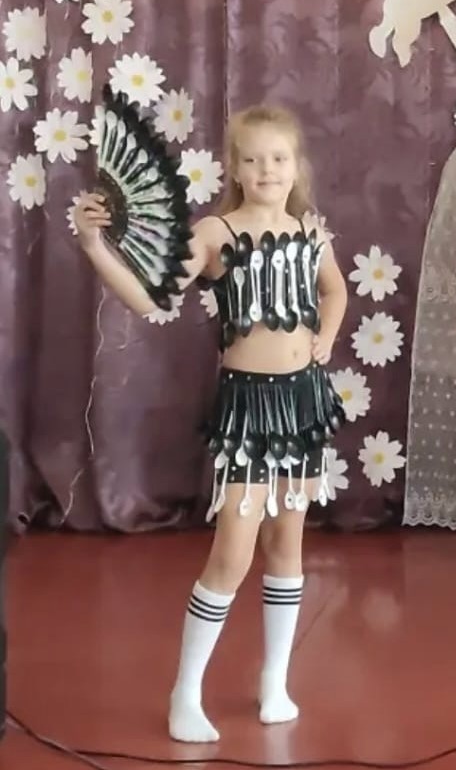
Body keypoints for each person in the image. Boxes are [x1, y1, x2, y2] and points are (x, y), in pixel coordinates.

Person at [72, 104, 347, 742]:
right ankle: (185, 692)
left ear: (296, 165)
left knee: (288, 547)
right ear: (235, 168)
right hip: (248, 409)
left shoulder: (309, 230)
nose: (267, 170)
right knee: (232, 555)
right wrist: (92, 246)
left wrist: (327, 337)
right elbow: (152, 300)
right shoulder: (215, 233)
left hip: (303, 404)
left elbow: (334, 289)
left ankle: (275, 682)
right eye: (253, 159)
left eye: (278, 158)